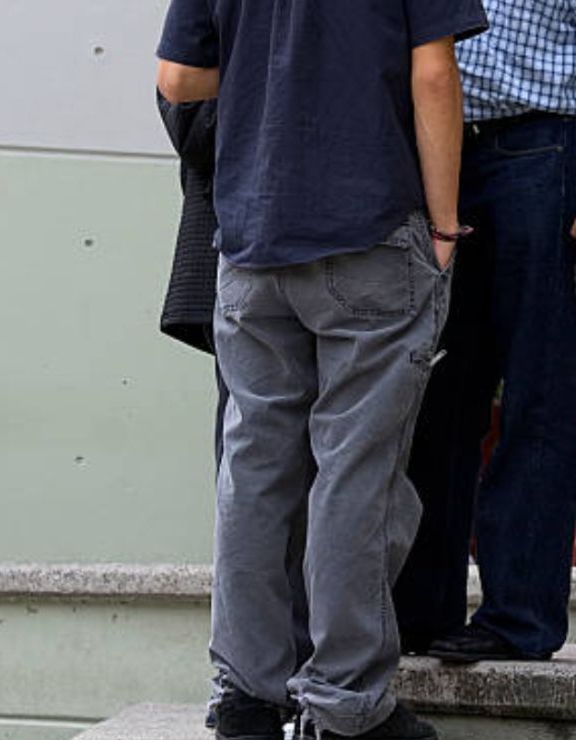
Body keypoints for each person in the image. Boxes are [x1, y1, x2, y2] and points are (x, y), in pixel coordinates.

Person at [156, 1, 486, 738]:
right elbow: (433, 75)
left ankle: (246, 695)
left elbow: (178, 79)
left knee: (255, 468)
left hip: (249, 242)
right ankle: (345, 706)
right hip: (369, 232)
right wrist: (442, 224)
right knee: (356, 470)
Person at [394, 0, 576, 662]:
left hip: (540, 154)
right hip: (435, 150)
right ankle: (420, 610)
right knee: (435, 395)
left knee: (538, 393)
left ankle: (519, 619)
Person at [155, 92, 312, 731]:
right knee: (256, 467)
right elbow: (184, 102)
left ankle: (308, 675)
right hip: (251, 234)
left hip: (356, 235)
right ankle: (252, 682)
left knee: (331, 467)